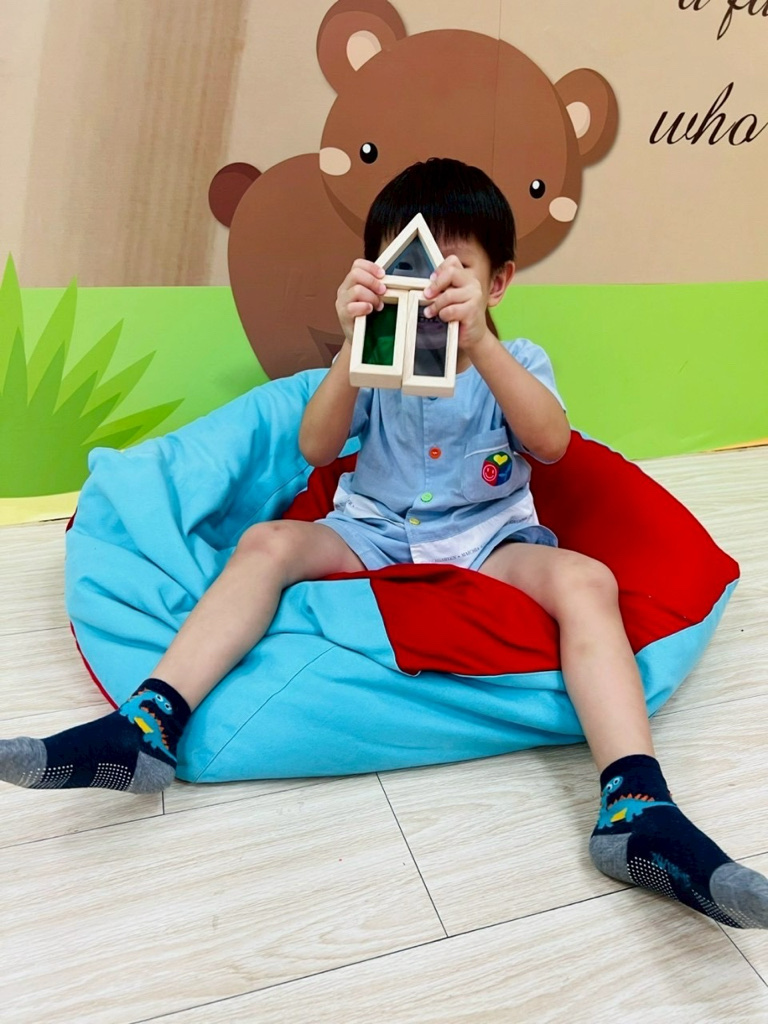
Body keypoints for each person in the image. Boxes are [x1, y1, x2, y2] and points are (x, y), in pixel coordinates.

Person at [1, 158, 766, 930]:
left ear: (497, 283)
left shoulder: (519, 361)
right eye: (413, 271)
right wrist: (349, 350)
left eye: (454, 272)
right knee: (267, 544)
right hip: (372, 530)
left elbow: (553, 444)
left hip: (489, 538)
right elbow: (315, 447)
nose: (431, 291)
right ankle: (149, 724)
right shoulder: (376, 364)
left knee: (588, 581)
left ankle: (636, 803)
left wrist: (482, 345)